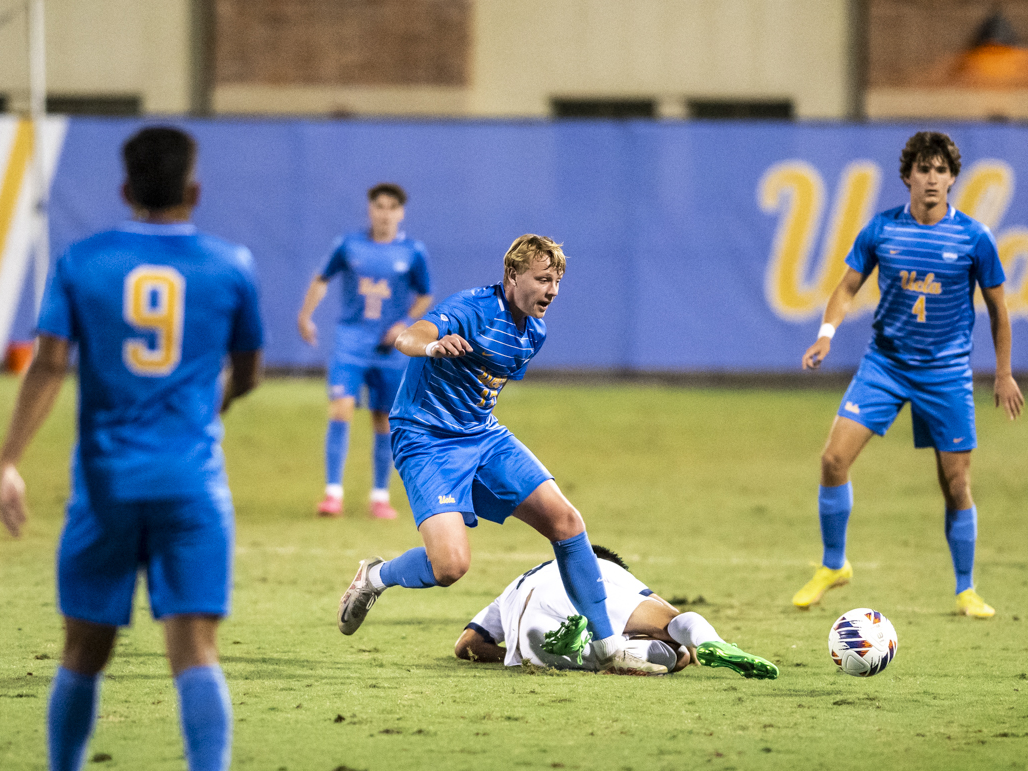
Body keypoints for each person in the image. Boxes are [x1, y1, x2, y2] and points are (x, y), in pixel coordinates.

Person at [0, 126, 264, 771]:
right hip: (193, 486)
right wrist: (207, 409)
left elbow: (49, 366)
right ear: (194, 190)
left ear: (122, 191)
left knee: (82, 652)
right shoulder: (232, 267)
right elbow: (248, 372)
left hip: (106, 487)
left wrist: (10, 459)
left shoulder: (82, 262)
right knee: (196, 649)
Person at [335, 234, 666, 675]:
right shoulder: (472, 309)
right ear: (512, 275)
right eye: (542, 278)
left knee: (566, 522)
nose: (551, 290)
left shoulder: (534, 332)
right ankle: (374, 577)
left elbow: (485, 385)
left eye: (557, 280)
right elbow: (409, 336)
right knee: (450, 566)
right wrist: (432, 346)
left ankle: (609, 646)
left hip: (483, 436)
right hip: (426, 440)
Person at [795, 130, 1024, 618]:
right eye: (924, 169)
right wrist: (826, 333)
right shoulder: (881, 230)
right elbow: (846, 286)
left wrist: (1003, 373)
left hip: (945, 373)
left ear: (953, 178)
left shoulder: (974, 238)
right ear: (907, 177)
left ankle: (966, 589)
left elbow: (999, 310)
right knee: (833, 459)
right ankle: (834, 565)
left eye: (942, 170)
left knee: (956, 482)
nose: (933, 179)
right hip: (885, 364)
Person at [297, 183, 433, 519]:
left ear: (400, 212)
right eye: (379, 206)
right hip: (351, 341)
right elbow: (321, 278)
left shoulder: (413, 252)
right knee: (341, 407)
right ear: (369, 209)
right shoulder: (348, 245)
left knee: (384, 419)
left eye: (391, 207)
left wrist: (405, 322)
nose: (384, 213)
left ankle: (379, 496)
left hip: (390, 348)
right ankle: (333, 494)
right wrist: (305, 315)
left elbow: (425, 295)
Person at [454, 545, 779, 679]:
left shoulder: (516, 584)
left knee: (599, 652)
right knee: (678, 641)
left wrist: (512, 657)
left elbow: (466, 645)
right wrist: (688, 648)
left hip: (529, 626)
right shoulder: (601, 566)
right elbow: (669, 612)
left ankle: (579, 650)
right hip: (584, 597)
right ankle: (715, 640)